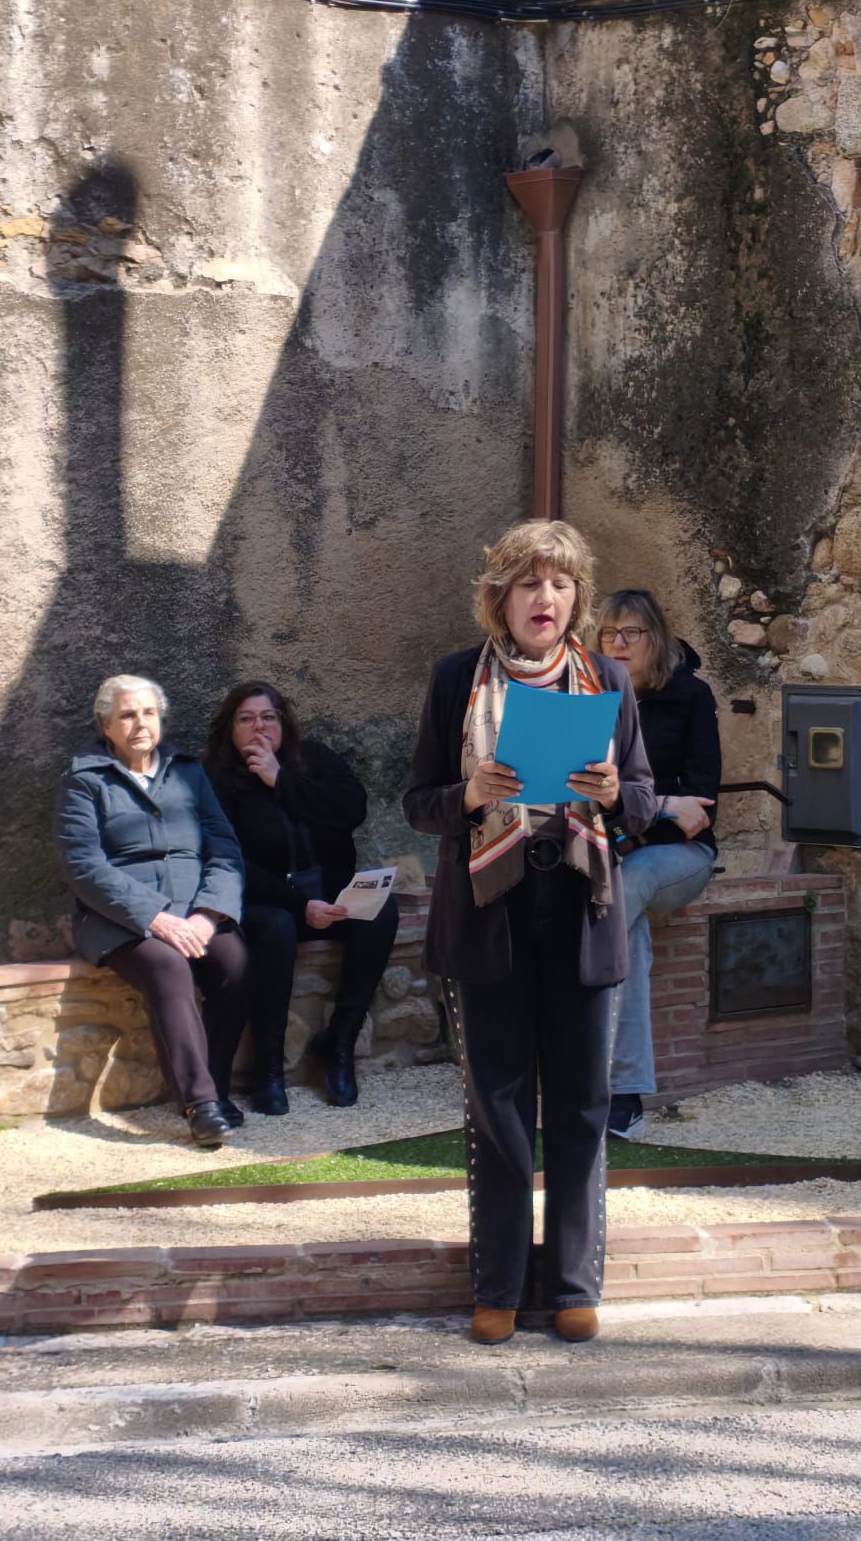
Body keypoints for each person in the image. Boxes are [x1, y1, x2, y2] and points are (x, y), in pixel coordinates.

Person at [404, 519, 657, 1347]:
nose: (545, 597)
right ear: (500, 598)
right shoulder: (455, 680)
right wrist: (470, 795)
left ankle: (574, 1286)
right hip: (491, 913)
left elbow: (645, 800)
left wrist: (615, 793)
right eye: (528, 583)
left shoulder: (606, 679)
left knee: (582, 1107)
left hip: (581, 907)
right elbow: (418, 802)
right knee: (500, 1110)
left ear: (576, 597)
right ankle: (500, 1288)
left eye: (560, 583)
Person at [53, 674, 248, 1148]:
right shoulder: (84, 781)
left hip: (195, 911)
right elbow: (83, 865)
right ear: (106, 726)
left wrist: (208, 914)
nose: (140, 723)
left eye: (148, 713)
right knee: (168, 967)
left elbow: (225, 849)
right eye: (127, 715)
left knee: (235, 965)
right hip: (119, 919)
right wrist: (156, 918)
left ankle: (216, 1086)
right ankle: (200, 1104)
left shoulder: (189, 773)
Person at [204, 681, 399, 1112]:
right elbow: (229, 860)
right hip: (268, 901)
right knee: (274, 928)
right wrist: (299, 906)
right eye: (246, 719)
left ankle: (340, 1042)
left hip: (328, 893)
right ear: (230, 730)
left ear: (284, 723)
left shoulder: (314, 761)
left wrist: (281, 780)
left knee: (381, 911)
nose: (259, 727)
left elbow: (352, 810)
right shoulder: (217, 780)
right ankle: (268, 1068)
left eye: (268, 717)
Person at [597, 592, 721, 1140]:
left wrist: (637, 806)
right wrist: (663, 800)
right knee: (629, 936)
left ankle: (561, 1017)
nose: (619, 644)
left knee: (632, 881)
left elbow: (701, 804)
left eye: (632, 633)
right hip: (609, 855)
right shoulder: (590, 697)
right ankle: (624, 1095)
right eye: (609, 634)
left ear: (657, 638)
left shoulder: (690, 696)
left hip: (679, 857)